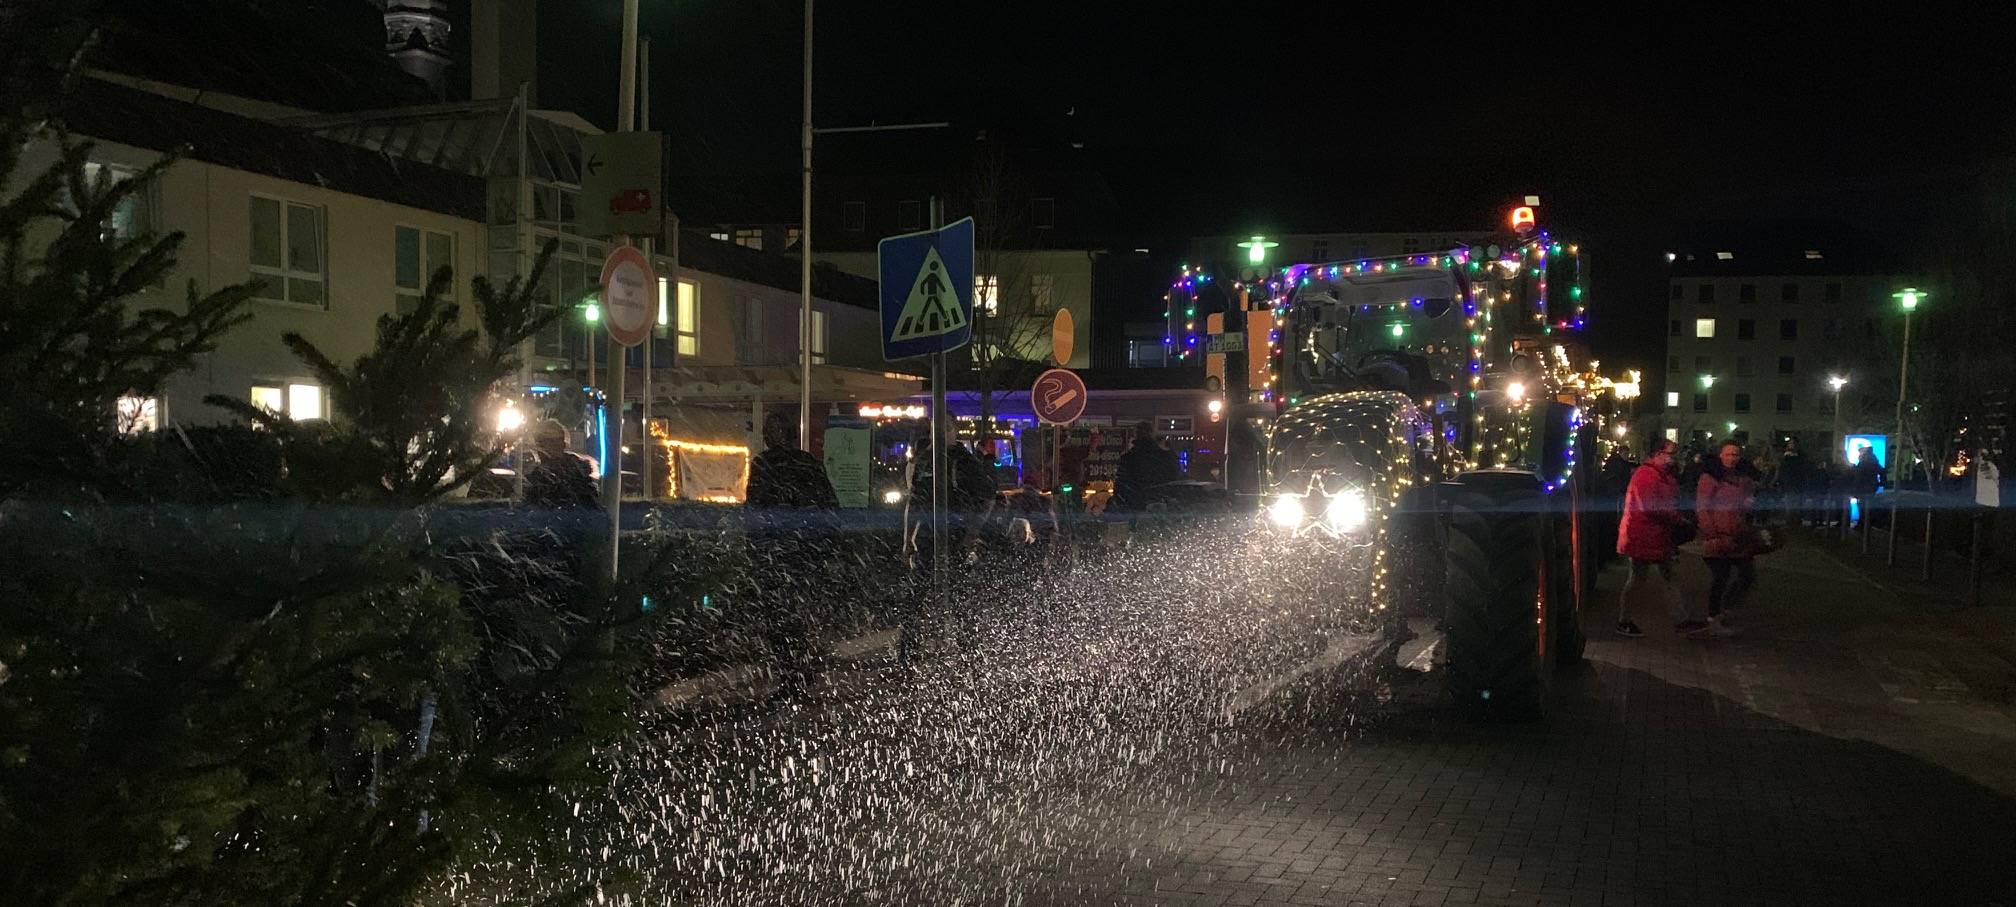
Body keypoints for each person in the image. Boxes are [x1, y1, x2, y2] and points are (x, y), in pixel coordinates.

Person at [743, 412, 839, 690]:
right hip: (805, 551)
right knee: (799, 612)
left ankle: (790, 671)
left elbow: (754, 510)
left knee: (778, 616)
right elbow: (829, 506)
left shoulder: (763, 464)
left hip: (778, 552)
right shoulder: (807, 463)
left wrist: (756, 548)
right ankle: (801, 666)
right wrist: (826, 546)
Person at [1615, 438, 1698, 637]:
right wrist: (1678, 519)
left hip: (1654, 536)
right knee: (1640, 579)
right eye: (1670, 453)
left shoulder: (1661, 475)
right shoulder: (1647, 475)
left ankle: (1680, 621)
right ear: (1658, 454)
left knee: (1660, 577)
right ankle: (1625, 621)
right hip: (1643, 536)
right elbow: (1651, 506)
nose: (1673, 458)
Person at [1695, 440, 1760, 638]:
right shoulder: (1710, 477)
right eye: (1729, 454)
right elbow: (1703, 507)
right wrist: (1711, 533)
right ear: (1720, 455)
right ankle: (1713, 618)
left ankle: (1725, 609)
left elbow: (1745, 503)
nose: (1732, 458)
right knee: (1720, 577)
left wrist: (1749, 505)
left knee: (1746, 575)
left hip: (1736, 535)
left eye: (1736, 454)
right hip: (1718, 534)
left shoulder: (1741, 478)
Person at [523, 419, 599, 509]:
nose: (552, 446)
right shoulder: (535, 475)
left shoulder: (577, 473)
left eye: (555, 441)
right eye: (545, 442)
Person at [1112, 421, 1182, 513]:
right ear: (1152, 433)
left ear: (1136, 435)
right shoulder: (1165, 456)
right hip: (1161, 504)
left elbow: (1121, 484)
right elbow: (1174, 478)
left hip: (1135, 506)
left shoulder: (1129, 458)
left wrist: (1120, 502)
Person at [1776, 438, 1810, 527]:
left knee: (1794, 506)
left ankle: (1794, 524)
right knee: (1791, 506)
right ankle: (1792, 524)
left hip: (1796, 484)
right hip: (1790, 484)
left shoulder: (1798, 457)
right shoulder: (1787, 457)